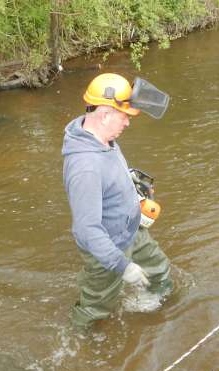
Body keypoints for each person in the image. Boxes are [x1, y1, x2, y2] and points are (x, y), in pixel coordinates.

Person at [62, 73, 173, 327]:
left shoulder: (104, 138)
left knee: (160, 272)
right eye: (124, 116)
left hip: (132, 230)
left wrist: (130, 182)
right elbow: (86, 230)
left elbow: (110, 172)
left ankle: (153, 306)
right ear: (104, 115)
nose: (128, 122)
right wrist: (123, 266)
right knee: (96, 309)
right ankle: (78, 339)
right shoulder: (85, 168)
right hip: (107, 248)